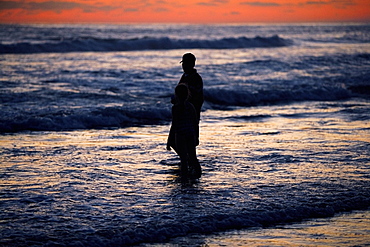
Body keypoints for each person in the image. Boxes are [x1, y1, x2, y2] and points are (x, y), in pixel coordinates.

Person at [167, 84, 202, 178]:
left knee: (183, 159)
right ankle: (198, 175)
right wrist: (197, 137)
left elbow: (174, 125)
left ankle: (185, 178)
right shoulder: (191, 106)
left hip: (180, 135)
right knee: (193, 157)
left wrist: (169, 140)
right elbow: (195, 123)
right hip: (190, 134)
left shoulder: (175, 108)